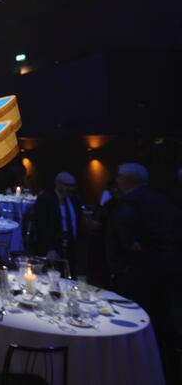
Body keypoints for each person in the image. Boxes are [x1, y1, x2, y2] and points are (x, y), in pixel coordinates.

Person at [106, 163, 178, 383]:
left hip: (138, 269)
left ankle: (136, 367)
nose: (117, 180)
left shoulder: (131, 201)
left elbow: (122, 228)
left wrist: (129, 247)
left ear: (128, 180)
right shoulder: (161, 199)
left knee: (136, 315)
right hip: (166, 265)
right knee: (162, 316)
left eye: (119, 176)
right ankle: (166, 367)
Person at [32, 171, 82, 274]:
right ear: (58, 183)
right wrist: (50, 248)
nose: (70, 189)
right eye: (67, 185)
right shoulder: (45, 199)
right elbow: (42, 225)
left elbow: (77, 222)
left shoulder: (74, 200)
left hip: (70, 249)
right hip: (51, 249)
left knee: (69, 277)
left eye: (72, 186)